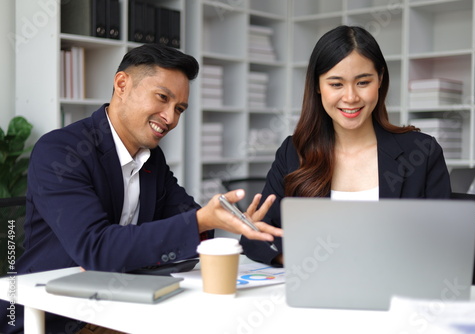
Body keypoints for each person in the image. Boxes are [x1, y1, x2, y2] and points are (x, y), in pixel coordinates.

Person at [0, 44, 281, 334]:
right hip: (52, 316)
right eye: (162, 98)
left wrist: (231, 220)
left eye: (179, 109)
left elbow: (191, 223)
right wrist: (200, 221)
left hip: (121, 306)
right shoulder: (60, 151)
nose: (170, 118)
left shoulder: (151, 158)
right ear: (122, 84)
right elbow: (95, 248)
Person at [240, 25, 451, 266]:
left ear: (380, 79)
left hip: (398, 293)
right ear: (318, 86)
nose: (350, 97)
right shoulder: (294, 152)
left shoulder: (421, 152)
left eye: (363, 82)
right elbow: (254, 235)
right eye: (336, 84)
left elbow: (444, 242)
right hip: (316, 288)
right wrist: (302, 263)